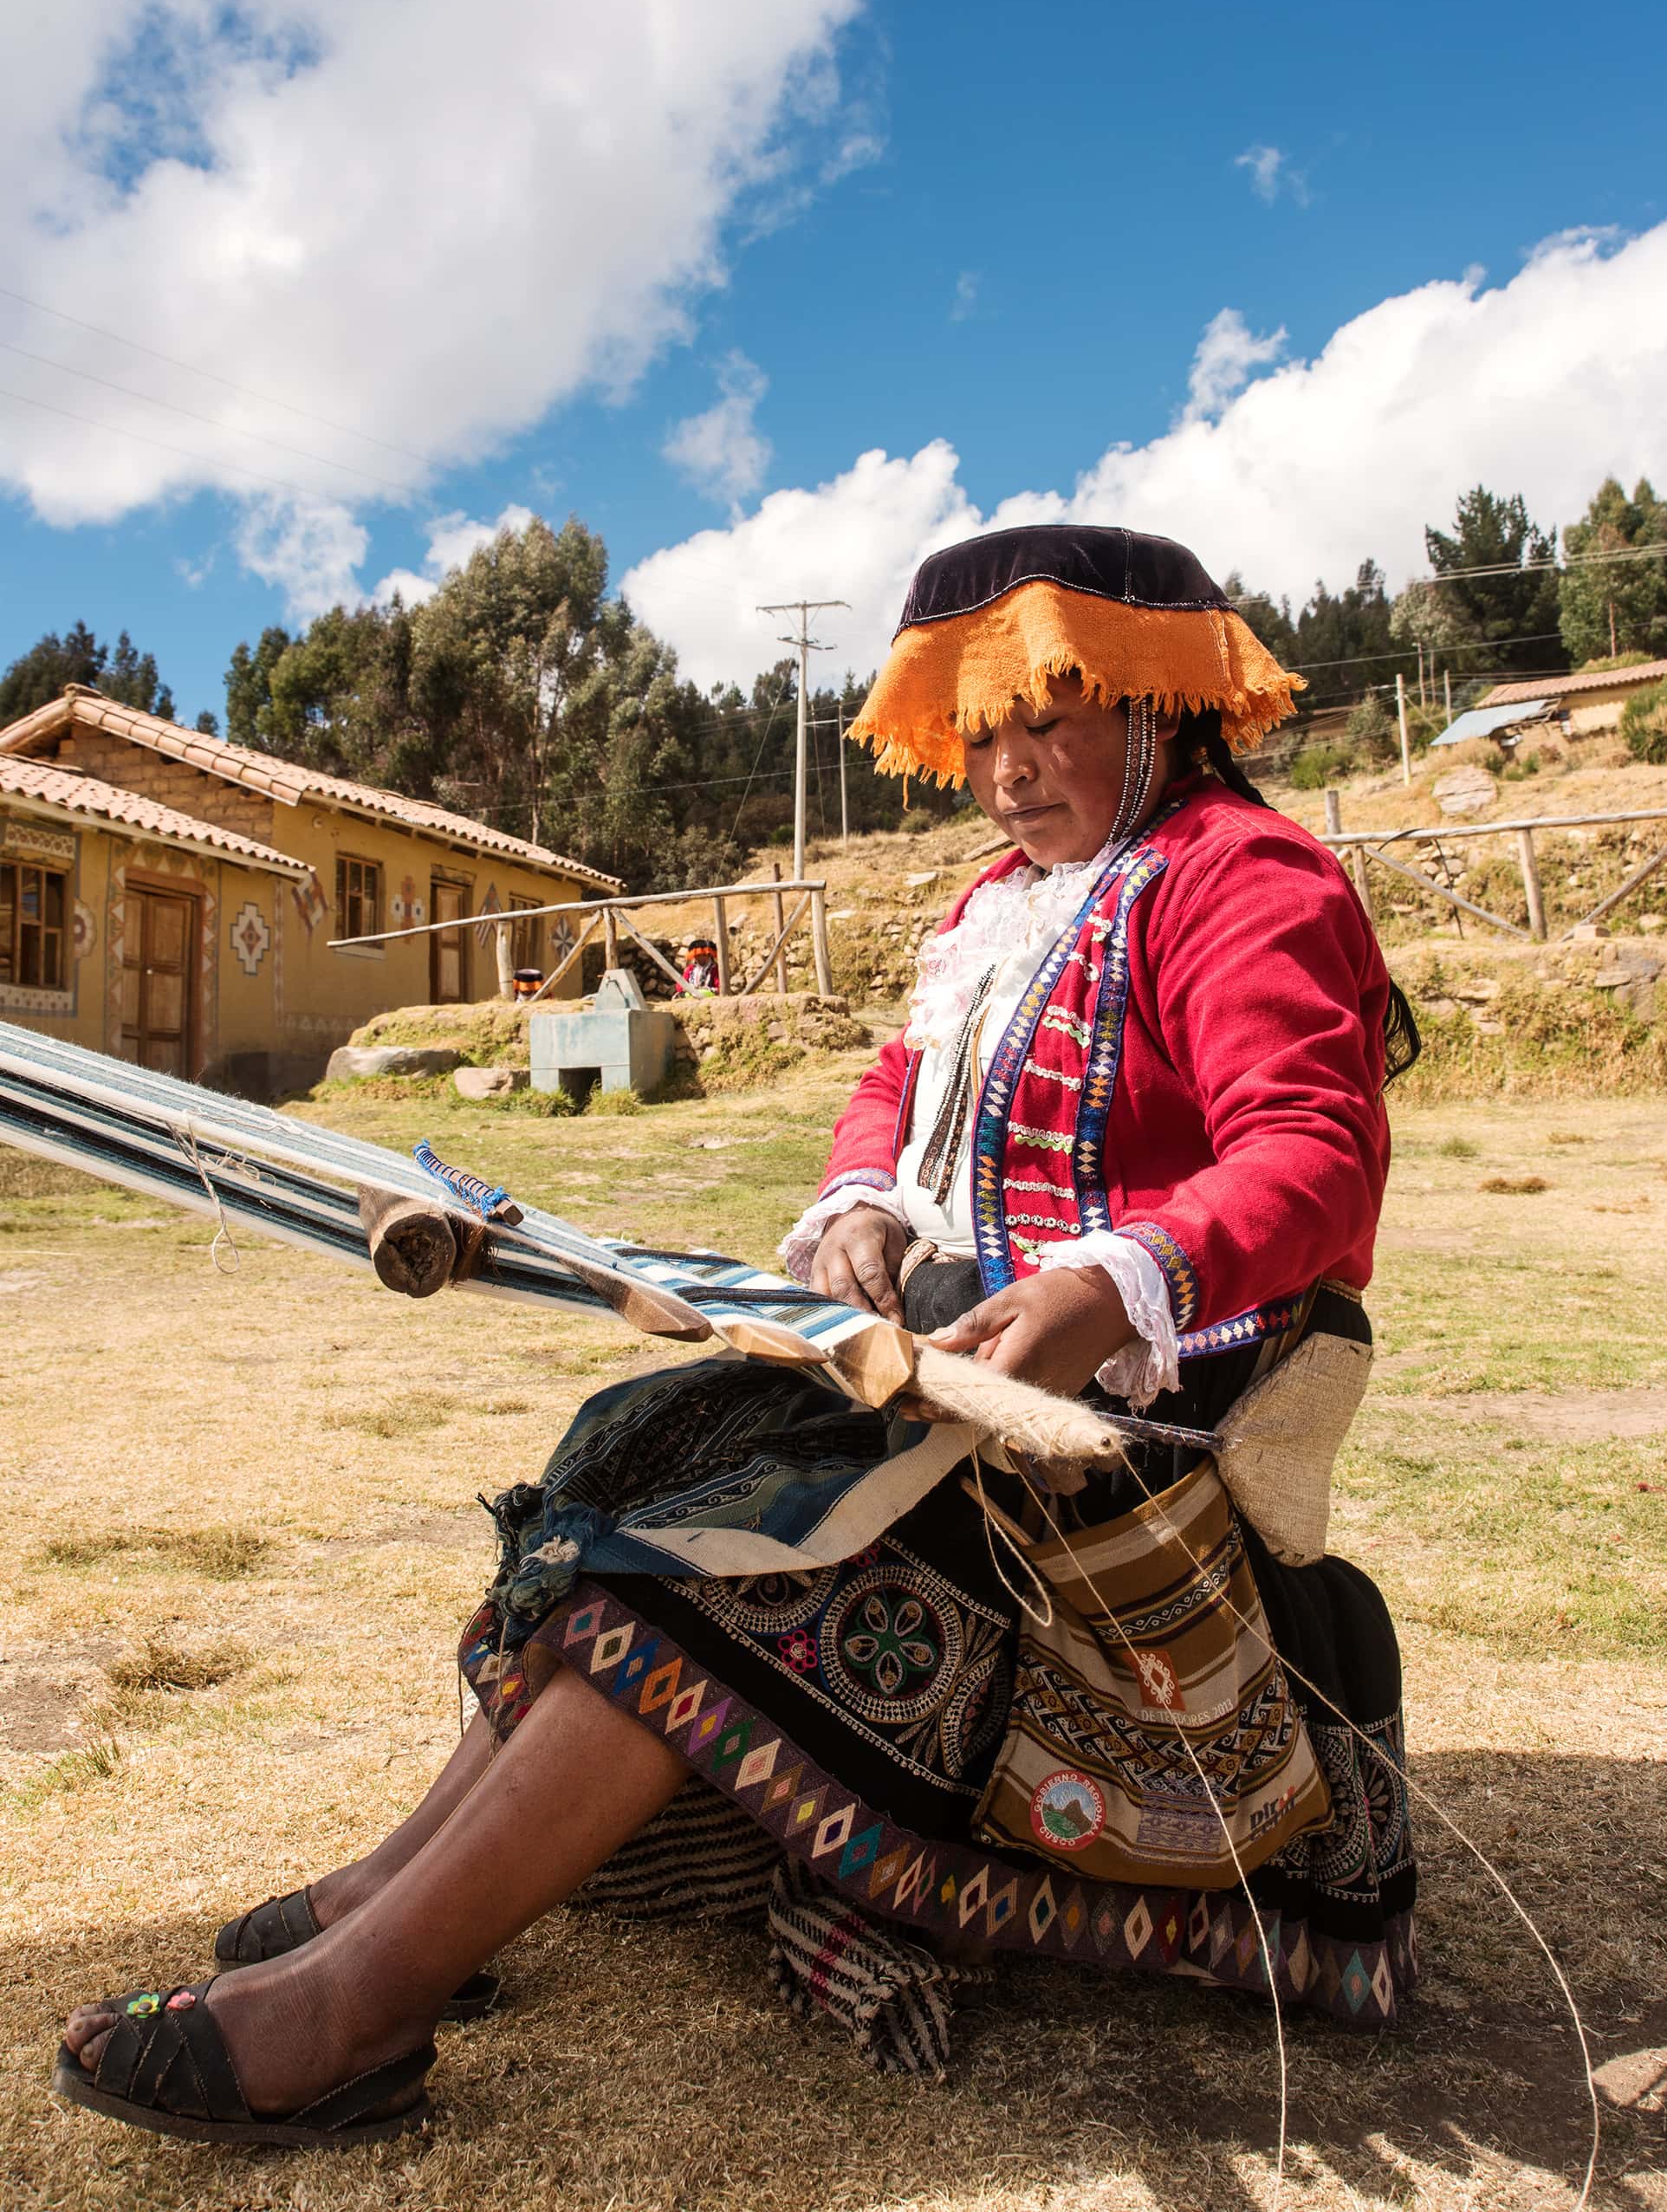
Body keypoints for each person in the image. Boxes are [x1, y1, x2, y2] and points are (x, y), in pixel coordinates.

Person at [55, 522, 1417, 2149]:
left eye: (1046, 718)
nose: (1005, 768)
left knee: (749, 1552)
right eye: (977, 730)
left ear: (1159, 703)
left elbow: (1313, 1159)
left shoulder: (1245, 883)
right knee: (643, 1445)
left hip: (1137, 1422)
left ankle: (356, 2006)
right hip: (946, 1380)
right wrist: (857, 1211)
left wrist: (1107, 1284)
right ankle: (389, 1892)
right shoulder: (1003, 908)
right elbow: (896, 1096)